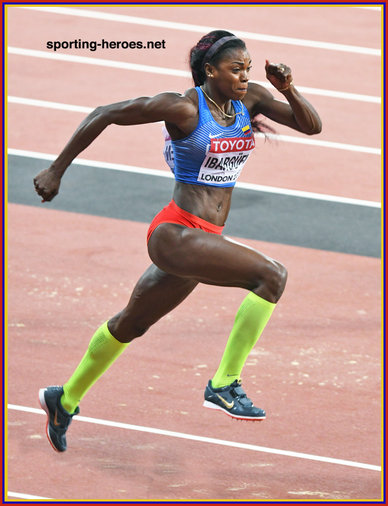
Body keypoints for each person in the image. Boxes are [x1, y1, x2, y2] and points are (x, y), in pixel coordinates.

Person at [34, 30, 322, 453]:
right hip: (176, 232)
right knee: (271, 277)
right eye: (235, 69)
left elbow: (311, 126)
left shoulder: (251, 99)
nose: (244, 76)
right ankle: (224, 383)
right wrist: (56, 170)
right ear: (210, 70)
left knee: (132, 322)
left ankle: (66, 399)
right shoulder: (184, 108)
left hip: (205, 236)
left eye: (247, 67)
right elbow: (106, 112)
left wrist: (289, 88)